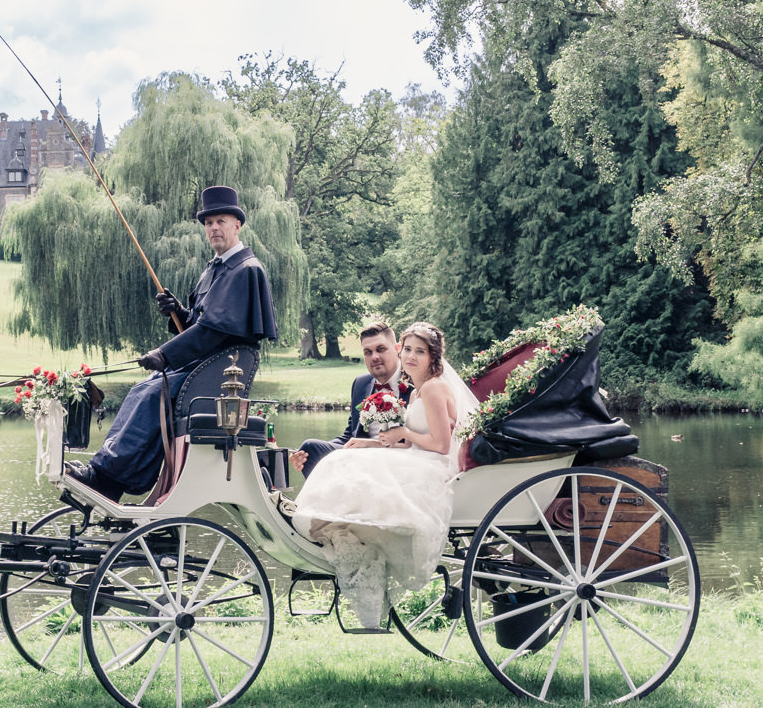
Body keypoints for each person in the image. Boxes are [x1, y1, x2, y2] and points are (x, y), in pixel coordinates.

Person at [65, 185, 280, 501]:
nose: (214, 228)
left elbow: (213, 331)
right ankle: (109, 475)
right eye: (208, 223)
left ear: (238, 225)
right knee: (142, 389)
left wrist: (164, 355)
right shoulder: (213, 269)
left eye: (221, 221)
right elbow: (199, 322)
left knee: (152, 393)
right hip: (200, 365)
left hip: (219, 372)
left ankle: (108, 475)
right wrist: (178, 311)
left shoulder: (246, 270)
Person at [291, 323, 477, 630]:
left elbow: (441, 444)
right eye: (409, 351)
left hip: (431, 463)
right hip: (411, 454)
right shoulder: (415, 389)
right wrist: (372, 442)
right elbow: (396, 438)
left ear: (432, 356)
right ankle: (331, 530)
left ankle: (341, 530)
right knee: (335, 457)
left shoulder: (428, 388)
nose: (411, 357)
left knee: (352, 466)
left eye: (419, 351)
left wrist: (400, 433)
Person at [290, 317, 409, 480]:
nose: (374, 357)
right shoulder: (361, 384)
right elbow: (349, 435)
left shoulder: (415, 384)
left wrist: (375, 445)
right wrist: (304, 454)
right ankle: (329, 502)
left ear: (397, 349)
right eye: (368, 352)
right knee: (309, 448)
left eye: (381, 349)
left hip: (400, 457)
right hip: (360, 455)